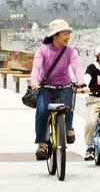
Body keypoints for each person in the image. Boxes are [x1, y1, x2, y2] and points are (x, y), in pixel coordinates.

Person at [31, 19, 87, 160]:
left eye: (69, 34)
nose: (68, 37)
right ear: (55, 36)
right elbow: (36, 67)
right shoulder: (43, 50)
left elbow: (76, 66)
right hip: (46, 86)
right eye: (65, 34)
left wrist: (81, 81)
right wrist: (34, 81)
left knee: (68, 107)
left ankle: (68, 128)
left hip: (64, 85)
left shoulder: (70, 51)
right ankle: (41, 144)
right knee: (42, 111)